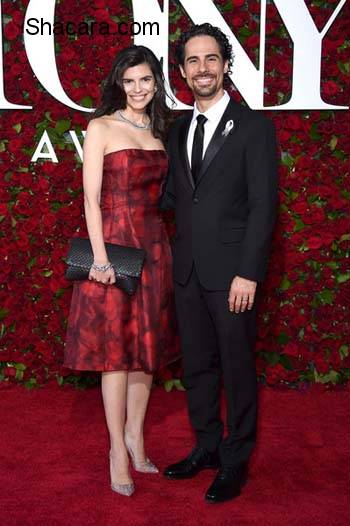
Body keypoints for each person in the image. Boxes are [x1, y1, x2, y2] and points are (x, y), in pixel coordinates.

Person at [161, 23, 278, 503]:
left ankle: (235, 459)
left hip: (233, 274)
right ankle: (206, 446)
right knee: (198, 367)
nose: (202, 68)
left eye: (211, 59)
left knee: (235, 367)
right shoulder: (178, 128)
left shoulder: (254, 127)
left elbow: (263, 206)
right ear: (183, 72)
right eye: (193, 61)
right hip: (187, 270)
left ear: (226, 65)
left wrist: (248, 270)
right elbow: (172, 197)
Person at [64, 45, 179, 497]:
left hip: (154, 247)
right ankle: (116, 448)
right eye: (129, 81)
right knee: (114, 352)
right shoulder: (100, 127)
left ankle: (136, 435)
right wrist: (99, 259)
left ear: (156, 83)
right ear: (118, 83)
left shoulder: (159, 131)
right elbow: (90, 199)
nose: (138, 88)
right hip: (111, 246)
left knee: (144, 351)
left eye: (146, 80)